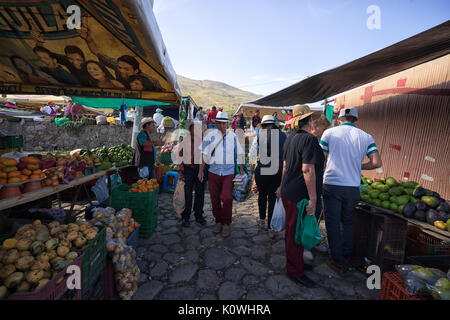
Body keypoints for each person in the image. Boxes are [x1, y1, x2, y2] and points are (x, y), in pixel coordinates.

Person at [320, 107, 382, 274]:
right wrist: (359, 166)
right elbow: (376, 162)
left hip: (332, 184)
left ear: (339, 119)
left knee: (332, 224)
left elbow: (321, 157)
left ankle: (337, 260)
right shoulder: (366, 137)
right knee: (348, 223)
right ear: (356, 119)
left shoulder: (329, 133)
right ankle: (346, 256)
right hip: (352, 187)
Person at [276, 104, 323, 288]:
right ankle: (294, 271)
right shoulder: (309, 140)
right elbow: (307, 169)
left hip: (289, 192)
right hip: (299, 197)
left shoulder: (290, 138)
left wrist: (281, 186)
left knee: (294, 232)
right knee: (295, 235)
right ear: (309, 120)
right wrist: (313, 198)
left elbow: (286, 166)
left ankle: (297, 263)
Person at [199, 111, 245, 237]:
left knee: (227, 197)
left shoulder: (233, 137)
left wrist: (241, 167)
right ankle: (218, 221)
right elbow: (203, 154)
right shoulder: (210, 136)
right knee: (214, 198)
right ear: (216, 123)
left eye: (223, 123)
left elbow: (240, 152)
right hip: (213, 172)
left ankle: (226, 223)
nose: (221, 125)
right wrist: (200, 171)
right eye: (219, 123)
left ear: (227, 124)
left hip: (228, 172)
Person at [303, 114, 332, 261]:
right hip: (311, 186)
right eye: (324, 128)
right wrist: (312, 195)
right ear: (316, 127)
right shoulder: (311, 141)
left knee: (315, 215)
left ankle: (311, 242)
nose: (325, 132)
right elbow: (308, 169)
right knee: (310, 215)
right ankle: (306, 247)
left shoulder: (316, 141)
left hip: (317, 184)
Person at [252, 115, 286, 236]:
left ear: (264, 125)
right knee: (272, 198)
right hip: (278, 170)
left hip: (262, 169)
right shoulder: (283, 136)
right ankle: (271, 228)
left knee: (262, 194)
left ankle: (262, 219)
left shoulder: (260, 136)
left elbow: (254, 154)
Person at [178, 121, 207, 227]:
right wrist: (180, 171)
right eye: (194, 128)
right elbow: (180, 156)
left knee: (200, 193)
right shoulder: (185, 141)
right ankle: (186, 216)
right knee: (187, 193)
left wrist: (200, 171)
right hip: (188, 169)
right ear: (190, 129)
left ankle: (198, 215)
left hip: (199, 168)